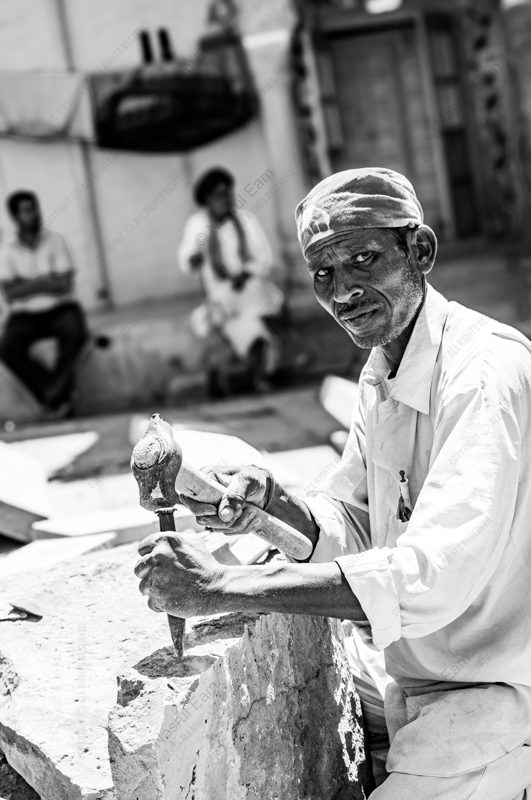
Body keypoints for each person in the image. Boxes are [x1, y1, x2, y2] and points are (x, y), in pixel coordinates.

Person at [136, 168, 531, 798]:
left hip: (496, 693)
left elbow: (431, 577)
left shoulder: (481, 373)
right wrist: (269, 501)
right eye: (323, 273)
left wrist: (222, 585)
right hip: (415, 673)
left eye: (364, 259)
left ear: (419, 251)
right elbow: (355, 523)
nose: (342, 291)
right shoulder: (384, 368)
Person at [178, 167, 284, 395]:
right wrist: (194, 258)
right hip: (221, 298)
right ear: (207, 200)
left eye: (227, 193)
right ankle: (242, 378)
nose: (224, 199)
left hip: (250, 290)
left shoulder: (245, 220)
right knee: (230, 327)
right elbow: (187, 259)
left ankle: (258, 376)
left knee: (256, 319)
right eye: (218, 195)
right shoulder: (199, 225)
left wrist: (245, 275)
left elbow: (264, 258)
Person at [0, 190, 88, 414]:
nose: (34, 214)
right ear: (15, 216)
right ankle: (56, 394)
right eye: (27, 210)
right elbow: (10, 293)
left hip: (60, 309)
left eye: (35, 208)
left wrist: (26, 285)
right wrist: (47, 281)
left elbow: (65, 284)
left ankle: (52, 398)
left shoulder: (56, 240)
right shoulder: (7, 251)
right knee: (7, 347)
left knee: (76, 334)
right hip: (25, 316)